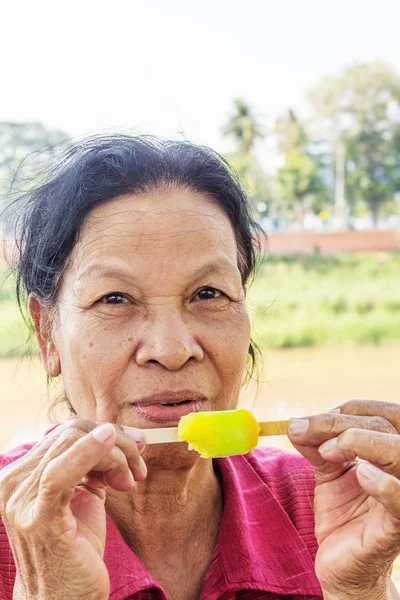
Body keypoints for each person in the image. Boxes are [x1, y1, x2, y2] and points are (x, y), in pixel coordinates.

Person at [0, 135, 399, 600]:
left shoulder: (325, 504)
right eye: (115, 298)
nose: (172, 350)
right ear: (47, 334)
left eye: (209, 294)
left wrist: (360, 588)